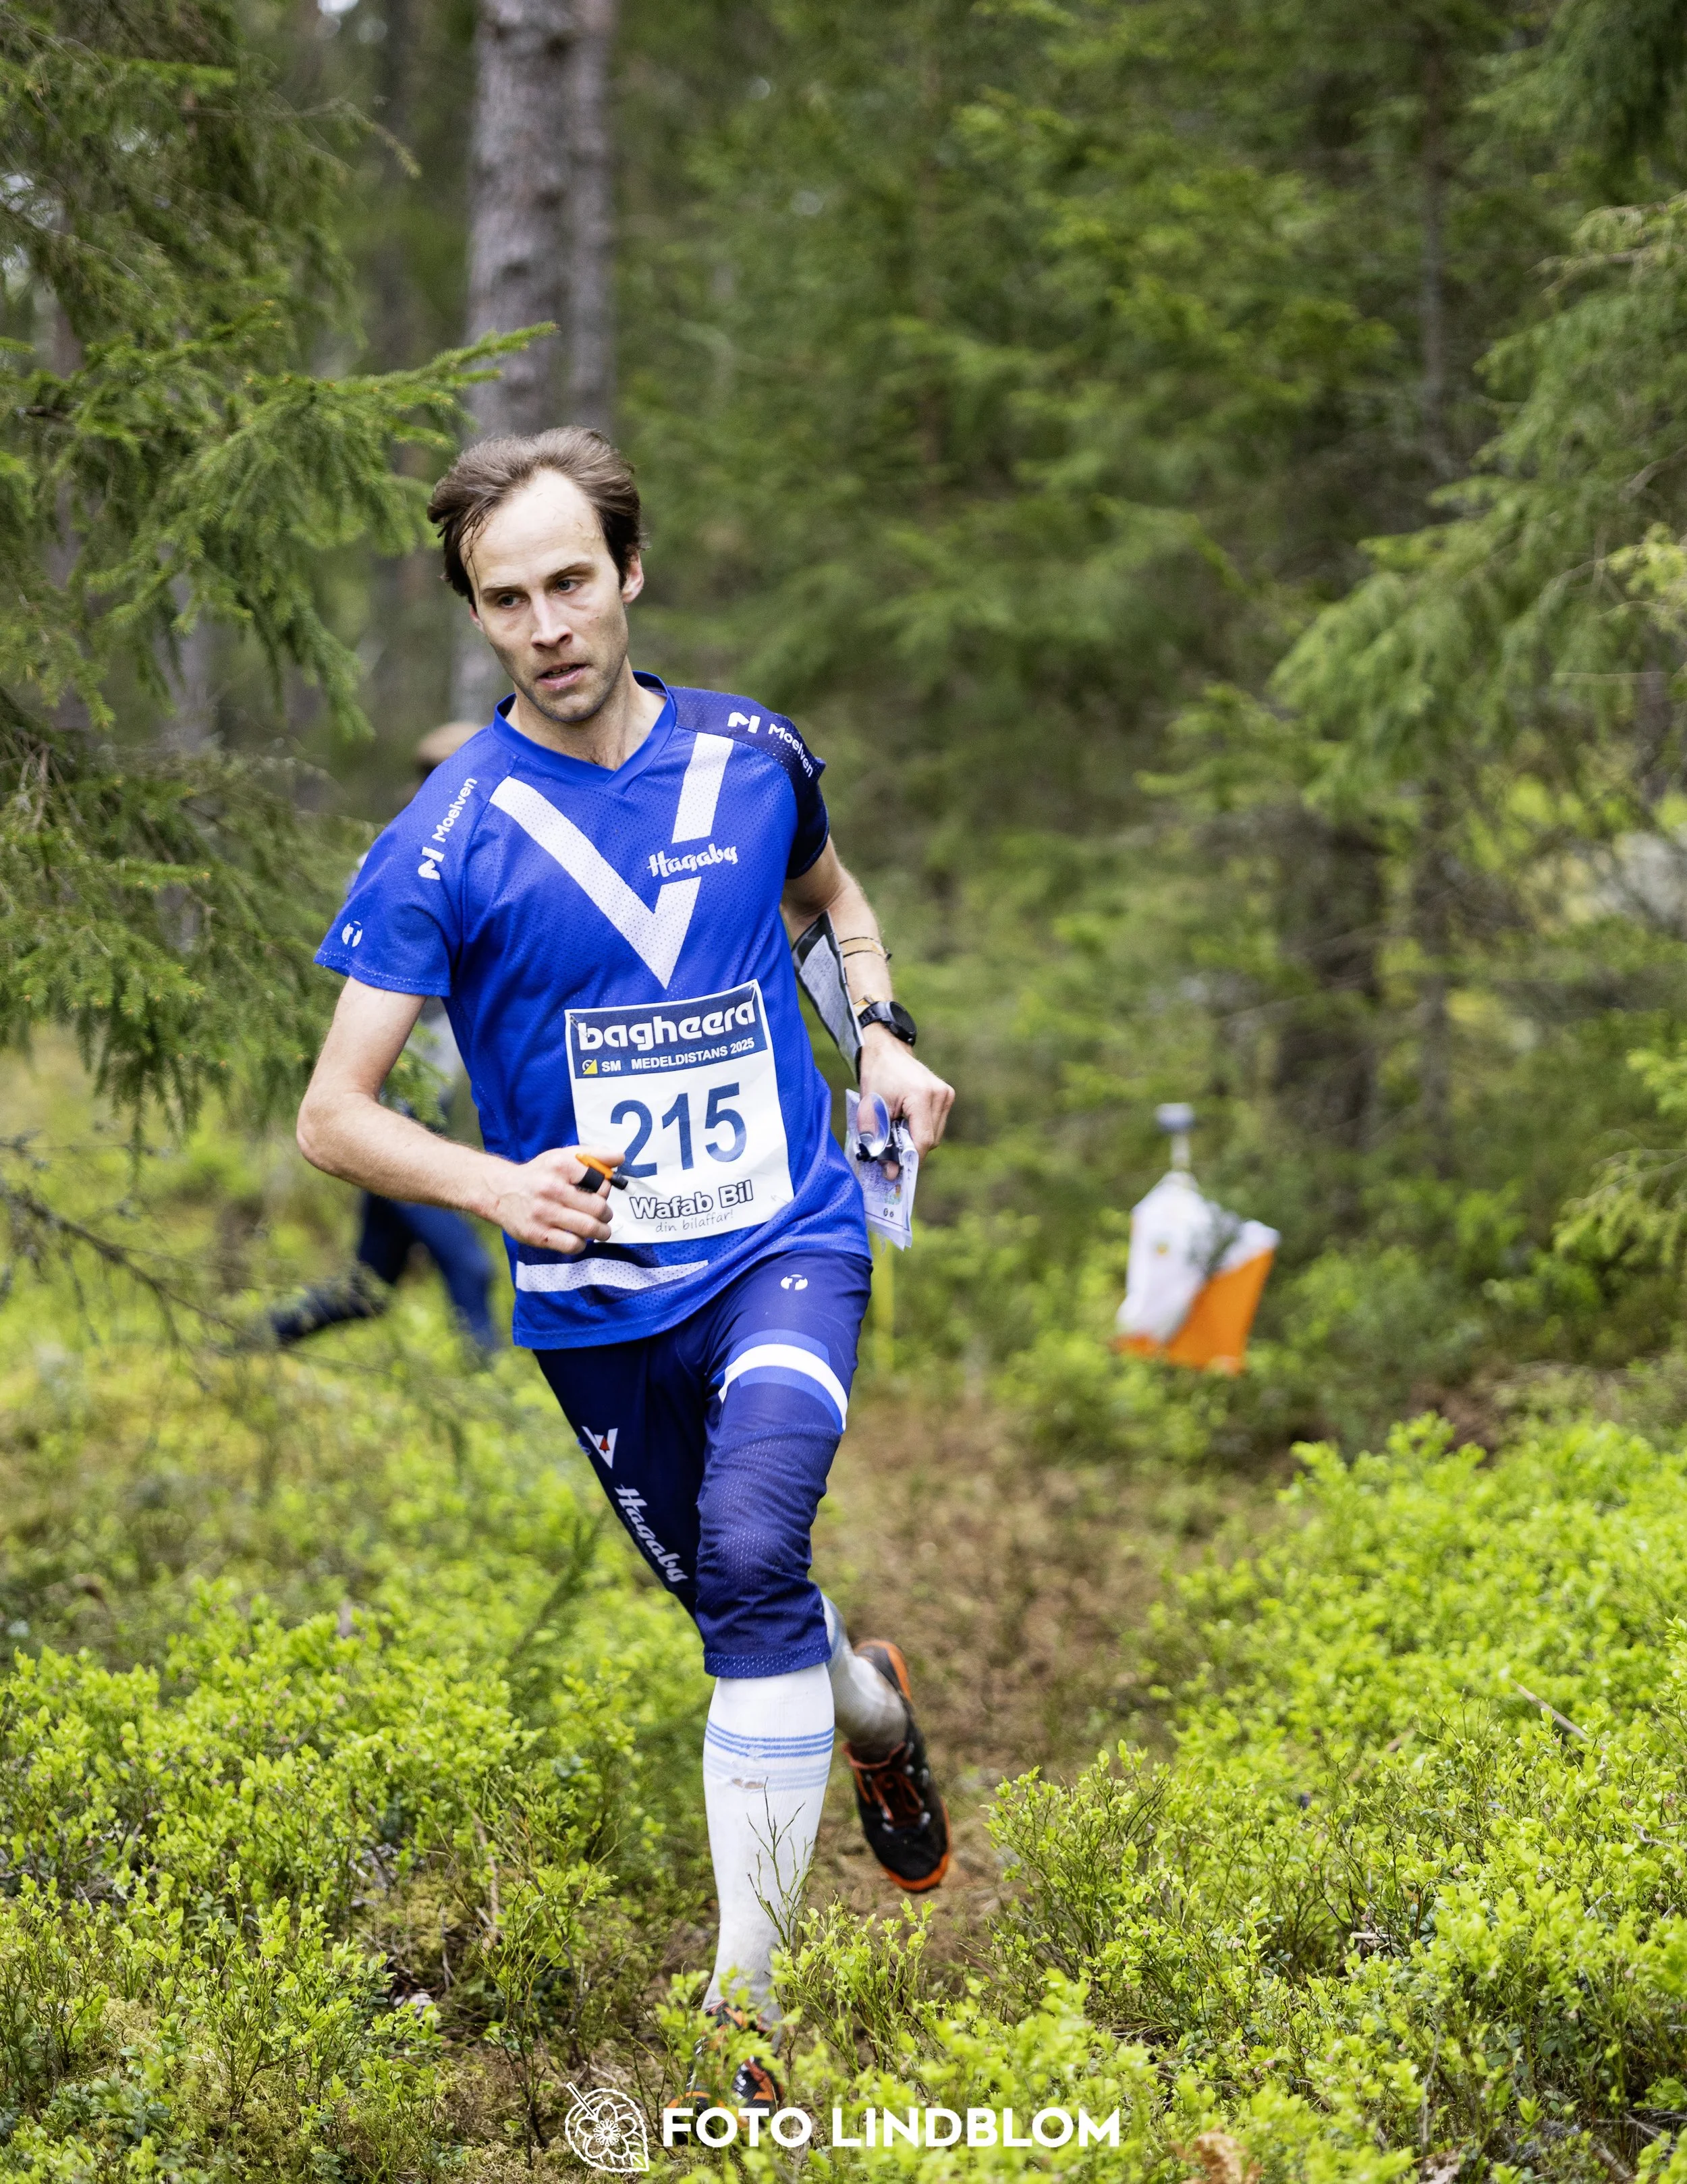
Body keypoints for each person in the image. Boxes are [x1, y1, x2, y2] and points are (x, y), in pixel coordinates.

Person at [294, 427, 956, 2114]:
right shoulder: (446, 839)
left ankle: (742, 2020)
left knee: (749, 1548)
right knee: (744, 1615)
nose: (546, 623)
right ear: (480, 616)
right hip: (596, 1310)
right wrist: (493, 1185)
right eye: (506, 599)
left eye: (571, 580)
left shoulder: (754, 755)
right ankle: (874, 1713)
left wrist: (876, 1032)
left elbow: (828, 901)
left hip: (786, 1237)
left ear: (631, 573)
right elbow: (334, 1116)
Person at [268, 725, 499, 1357]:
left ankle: (252, 1339)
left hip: (430, 1103)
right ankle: (494, 1416)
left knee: (369, 1289)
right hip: (386, 1109)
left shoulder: (486, 861)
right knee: (471, 1271)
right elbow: (397, 986)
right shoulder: (397, 865)